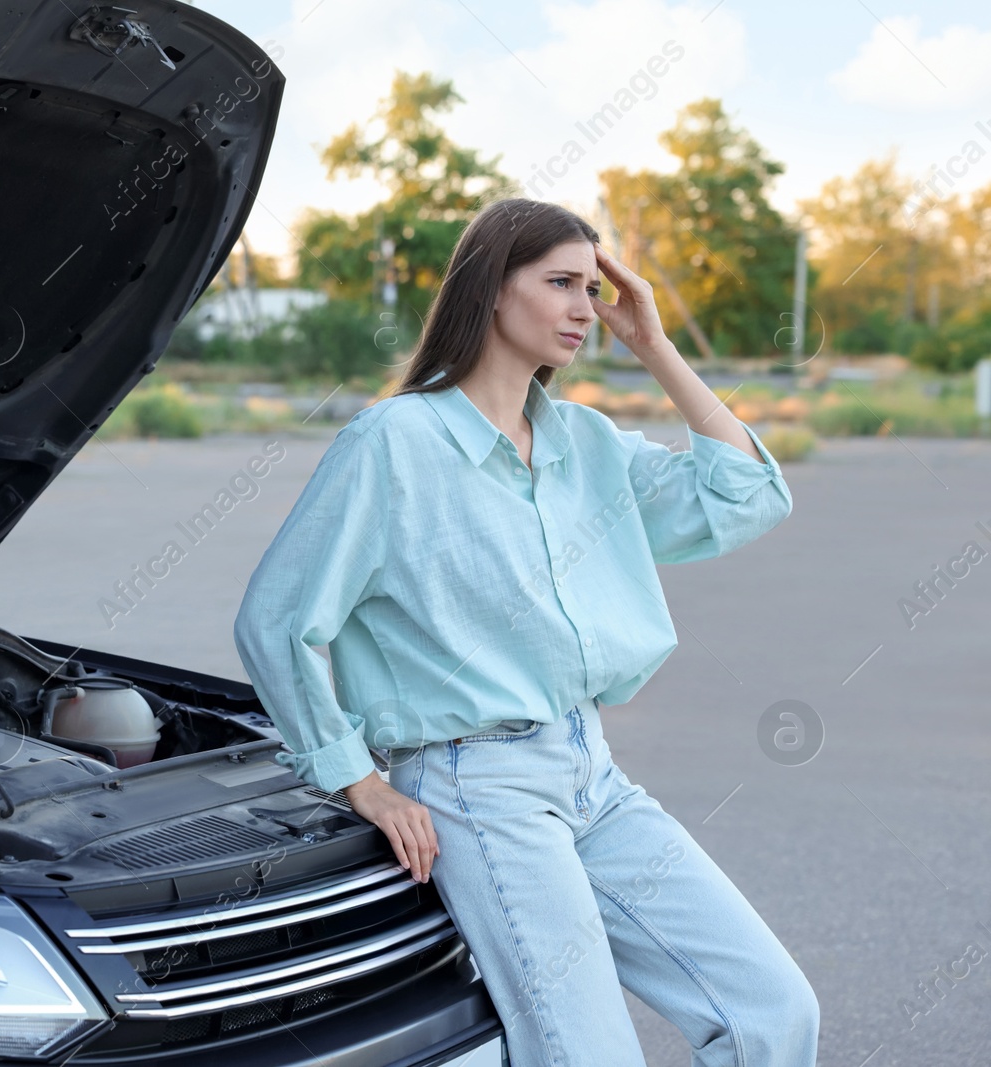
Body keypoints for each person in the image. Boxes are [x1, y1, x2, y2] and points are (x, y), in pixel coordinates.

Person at [232, 197, 817, 1066]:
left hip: (595, 775)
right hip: (478, 787)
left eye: (592, 286)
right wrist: (356, 776)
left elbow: (749, 495)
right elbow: (275, 622)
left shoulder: (587, 443)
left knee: (774, 1012)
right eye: (561, 284)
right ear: (491, 290)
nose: (587, 308)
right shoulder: (396, 442)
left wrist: (655, 346)